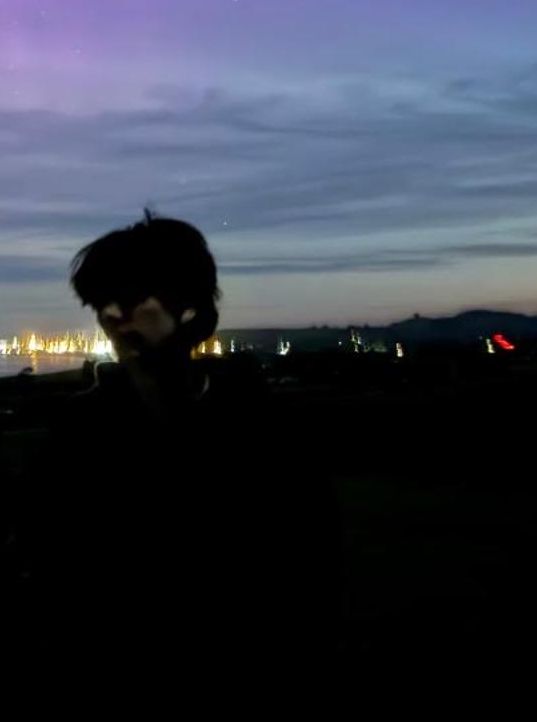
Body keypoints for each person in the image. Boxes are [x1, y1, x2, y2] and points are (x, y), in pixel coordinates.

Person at [55, 210, 342, 686]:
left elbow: (308, 582)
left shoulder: (268, 441)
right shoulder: (78, 435)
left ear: (192, 311)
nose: (111, 317)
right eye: (100, 303)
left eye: (131, 299)